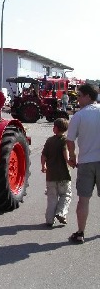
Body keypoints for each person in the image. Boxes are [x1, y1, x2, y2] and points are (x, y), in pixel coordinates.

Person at [66, 83, 100, 244]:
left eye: (79, 95)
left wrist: (72, 157)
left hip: (86, 161)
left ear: (88, 96)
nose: (77, 99)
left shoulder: (79, 116)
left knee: (83, 199)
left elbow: (70, 140)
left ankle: (80, 232)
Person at [41, 118, 71, 227]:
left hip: (50, 176)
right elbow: (65, 153)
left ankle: (49, 220)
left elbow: (44, 155)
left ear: (56, 128)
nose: (53, 128)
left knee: (52, 198)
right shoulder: (65, 140)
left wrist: (43, 165)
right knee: (66, 195)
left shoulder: (49, 141)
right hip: (63, 175)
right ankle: (61, 213)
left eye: (54, 126)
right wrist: (69, 161)